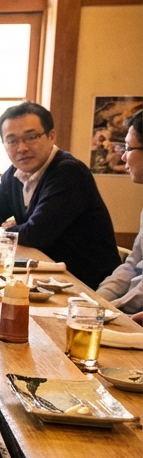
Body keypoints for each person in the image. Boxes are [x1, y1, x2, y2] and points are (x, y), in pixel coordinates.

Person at [0, 101, 120, 290]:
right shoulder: (14, 175)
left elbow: (36, 234)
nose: (21, 148)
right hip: (48, 280)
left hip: (86, 286)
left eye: (31, 137)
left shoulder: (69, 172)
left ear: (51, 136)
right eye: (12, 141)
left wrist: (5, 233)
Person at [99, 110, 143, 322]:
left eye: (128, 148)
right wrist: (98, 300)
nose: (123, 156)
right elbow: (133, 262)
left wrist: (114, 309)